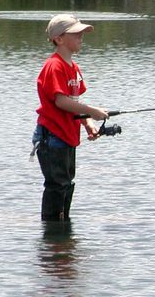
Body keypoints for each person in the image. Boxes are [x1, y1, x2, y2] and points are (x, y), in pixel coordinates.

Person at [32, 13, 108, 221]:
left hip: (67, 134)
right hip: (52, 135)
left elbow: (73, 102)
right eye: (76, 34)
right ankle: (53, 233)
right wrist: (93, 110)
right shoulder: (54, 66)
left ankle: (62, 230)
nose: (81, 37)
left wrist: (88, 123)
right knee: (57, 185)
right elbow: (61, 102)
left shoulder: (74, 68)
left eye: (82, 34)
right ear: (59, 39)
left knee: (66, 183)